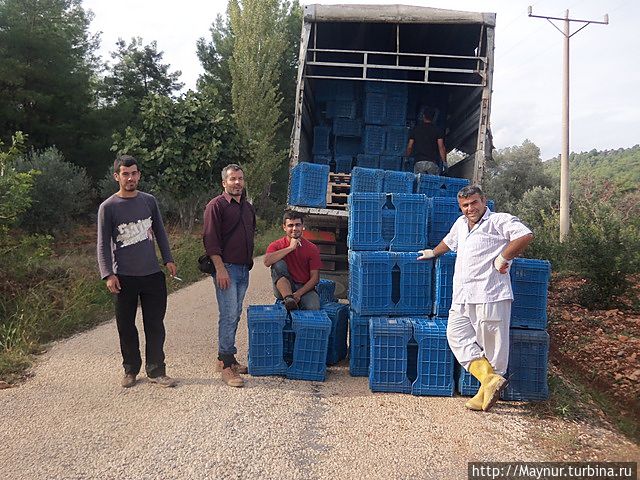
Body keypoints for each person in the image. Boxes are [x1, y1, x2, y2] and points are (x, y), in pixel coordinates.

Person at [417, 185, 533, 412]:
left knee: (493, 348)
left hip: (490, 295)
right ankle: (488, 380)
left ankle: (486, 391)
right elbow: (449, 242)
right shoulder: (461, 224)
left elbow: (525, 235)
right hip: (462, 296)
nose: (470, 208)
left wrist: (503, 257)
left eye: (474, 203)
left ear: (484, 201)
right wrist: (433, 252)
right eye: (465, 205)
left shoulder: (499, 220)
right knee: (456, 335)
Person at [97, 154, 178, 389]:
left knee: (155, 324)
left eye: (134, 173)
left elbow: (160, 232)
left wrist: (168, 259)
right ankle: (131, 369)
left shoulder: (149, 201)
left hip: (152, 275)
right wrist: (108, 274)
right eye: (125, 174)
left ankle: (156, 370)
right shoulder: (108, 207)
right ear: (116, 176)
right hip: (123, 277)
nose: (130, 178)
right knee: (126, 325)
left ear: (139, 175)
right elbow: (102, 244)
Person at [203, 163, 256, 388]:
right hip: (226, 269)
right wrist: (220, 268)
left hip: (243, 268)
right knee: (227, 315)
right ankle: (226, 366)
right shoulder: (215, 206)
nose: (237, 183)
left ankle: (225, 358)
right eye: (233, 179)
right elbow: (210, 240)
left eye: (240, 179)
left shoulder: (247, 207)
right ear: (224, 183)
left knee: (234, 314)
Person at [264, 211, 322, 311]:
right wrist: (290, 248)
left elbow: (315, 278)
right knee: (278, 263)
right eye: (290, 225)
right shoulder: (276, 245)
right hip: (283, 287)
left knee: (313, 307)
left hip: (304, 288)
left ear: (303, 226)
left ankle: (294, 302)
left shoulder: (312, 248)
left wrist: (298, 294)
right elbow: (267, 262)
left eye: (297, 225)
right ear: (284, 227)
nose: (294, 229)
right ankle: (288, 299)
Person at [406, 107, 447, 176]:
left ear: (423, 116)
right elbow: (441, 147)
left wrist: (406, 158)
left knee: (419, 184)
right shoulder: (437, 130)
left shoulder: (416, 129)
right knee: (431, 184)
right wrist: (445, 163)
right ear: (434, 118)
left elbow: (410, 147)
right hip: (432, 163)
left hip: (419, 162)